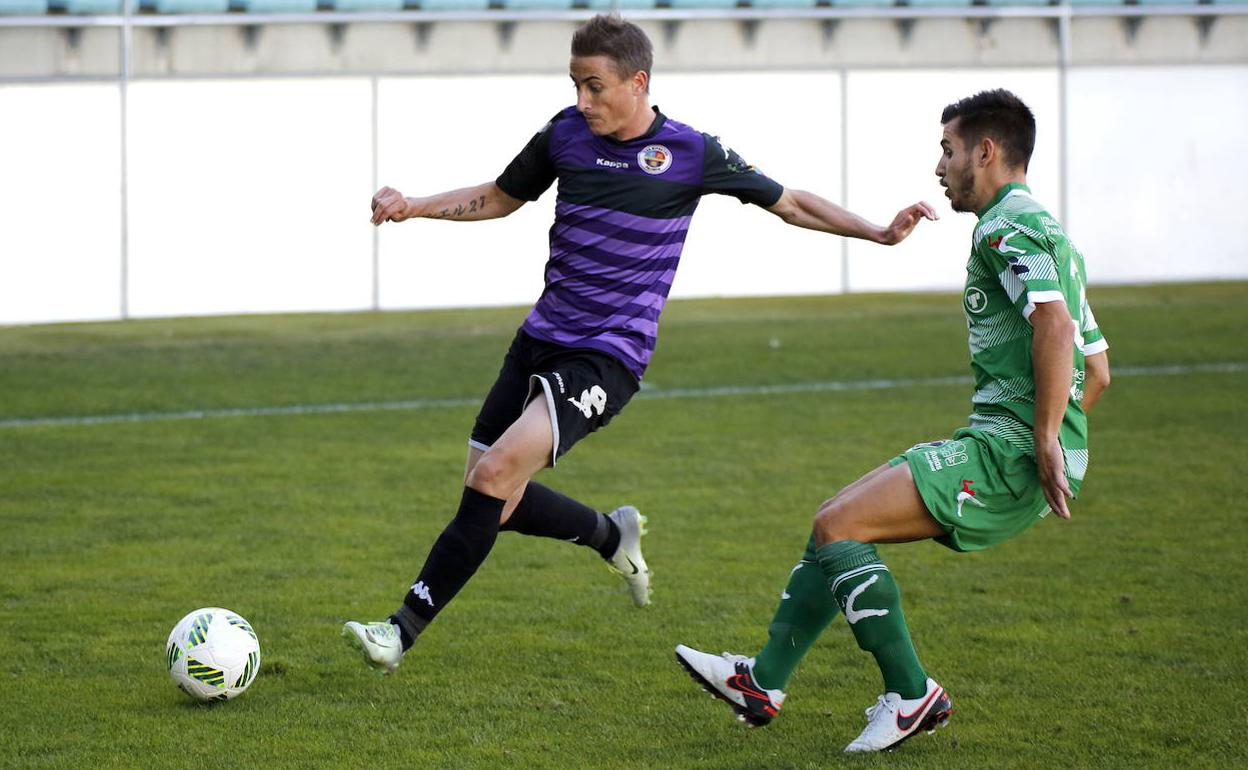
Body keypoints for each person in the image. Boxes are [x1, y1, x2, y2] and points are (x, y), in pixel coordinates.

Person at [342, 14, 936, 675]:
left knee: (492, 477)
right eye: (574, 85)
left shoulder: (691, 152)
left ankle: (399, 631)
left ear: (637, 82)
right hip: (538, 340)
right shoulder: (565, 135)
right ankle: (609, 533)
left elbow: (790, 202)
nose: (582, 101)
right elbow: (500, 197)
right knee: (492, 502)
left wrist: (880, 233)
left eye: (594, 86)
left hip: (608, 356)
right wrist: (413, 204)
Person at [674, 89, 1111, 753]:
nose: (940, 167)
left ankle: (911, 694)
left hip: (1009, 452)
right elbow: (1099, 371)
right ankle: (761, 682)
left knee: (839, 527)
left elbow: (1051, 325)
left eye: (948, 150)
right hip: (1005, 445)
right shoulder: (1054, 237)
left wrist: (1042, 440)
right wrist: (1059, 440)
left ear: (986, 153)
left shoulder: (1004, 229)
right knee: (834, 520)